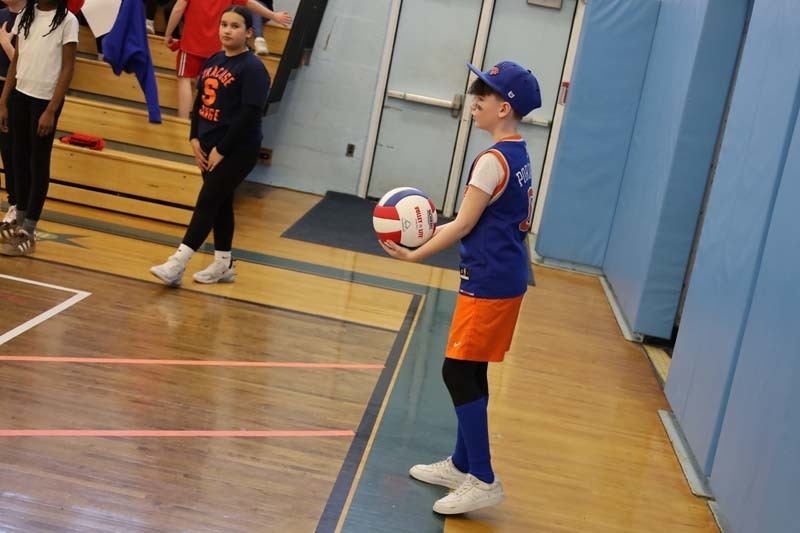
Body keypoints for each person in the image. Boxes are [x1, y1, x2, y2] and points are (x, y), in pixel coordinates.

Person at [379, 60, 541, 515]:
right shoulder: (519, 153)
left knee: (457, 372)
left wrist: (416, 252)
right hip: (501, 275)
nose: (474, 103)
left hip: (490, 280)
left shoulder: (492, 161)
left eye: (483, 97)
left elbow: (464, 222)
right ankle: (462, 463)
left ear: (504, 108)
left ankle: (483, 478)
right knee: (471, 370)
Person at [150, 6, 269, 286]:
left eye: (235, 26)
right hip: (207, 146)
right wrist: (194, 138)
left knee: (207, 201)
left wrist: (222, 149)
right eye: (224, 24)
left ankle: (176, 264)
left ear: (249, 33)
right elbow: (200, 100)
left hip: (237, 150)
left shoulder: (253, 68)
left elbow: (250, 115)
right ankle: (223, 264)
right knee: (221, 203)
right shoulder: (214, 59)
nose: (227, 30)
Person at [0, 0, 78, 256]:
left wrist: (51, 110)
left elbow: (67, 68)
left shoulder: (67, 21)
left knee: (38, 162)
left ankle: (29, 229)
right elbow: (17, 60)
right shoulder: (25, 15)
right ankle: (19, 218)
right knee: (18, 159)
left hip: (45, 100)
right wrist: (3, 100)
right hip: (20, 95)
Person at [164, 0, 289, 118]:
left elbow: (178, 8)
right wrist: (273, 15)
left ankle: (183, 121)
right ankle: (203, 120)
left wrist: (168, 33)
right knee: (206, 84)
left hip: (191, 43)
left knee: (185, 80)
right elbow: (250, 3)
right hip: (216, 48)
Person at [0, 0, 24, 225]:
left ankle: (16, 204)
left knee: (11, 150)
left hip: (16, 91)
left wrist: (6, 45)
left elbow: (27, 64)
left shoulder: (31, 19)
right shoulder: (1, 15)